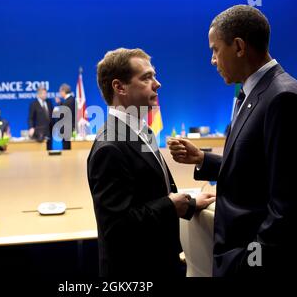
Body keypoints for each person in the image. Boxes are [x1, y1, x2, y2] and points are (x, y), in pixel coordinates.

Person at [168, 5, 297, 277]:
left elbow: (290, 208)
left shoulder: (283, 98)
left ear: (238, 46)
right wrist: (203, 159)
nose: (212, 60)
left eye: (215, 49)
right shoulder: (254, 92)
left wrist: (250, 261)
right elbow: (257, 168)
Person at [88, 48, 216, 277]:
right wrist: (172, 205)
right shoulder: (109, 147)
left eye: (154, 76)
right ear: (119, 87)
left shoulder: (140, 131)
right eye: (146, 77)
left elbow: (149, 195)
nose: (157, 84)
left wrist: (190, 203)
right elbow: (116, 228)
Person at [55, 83, 75, 149]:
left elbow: (62, 114)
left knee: (67, 149)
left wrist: (58, 105)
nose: (60, 93)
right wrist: (60, 103)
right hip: (68, 129)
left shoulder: (69, 101)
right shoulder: (70, 100)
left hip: (67, 130)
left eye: (60, 92)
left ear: (63, 91)